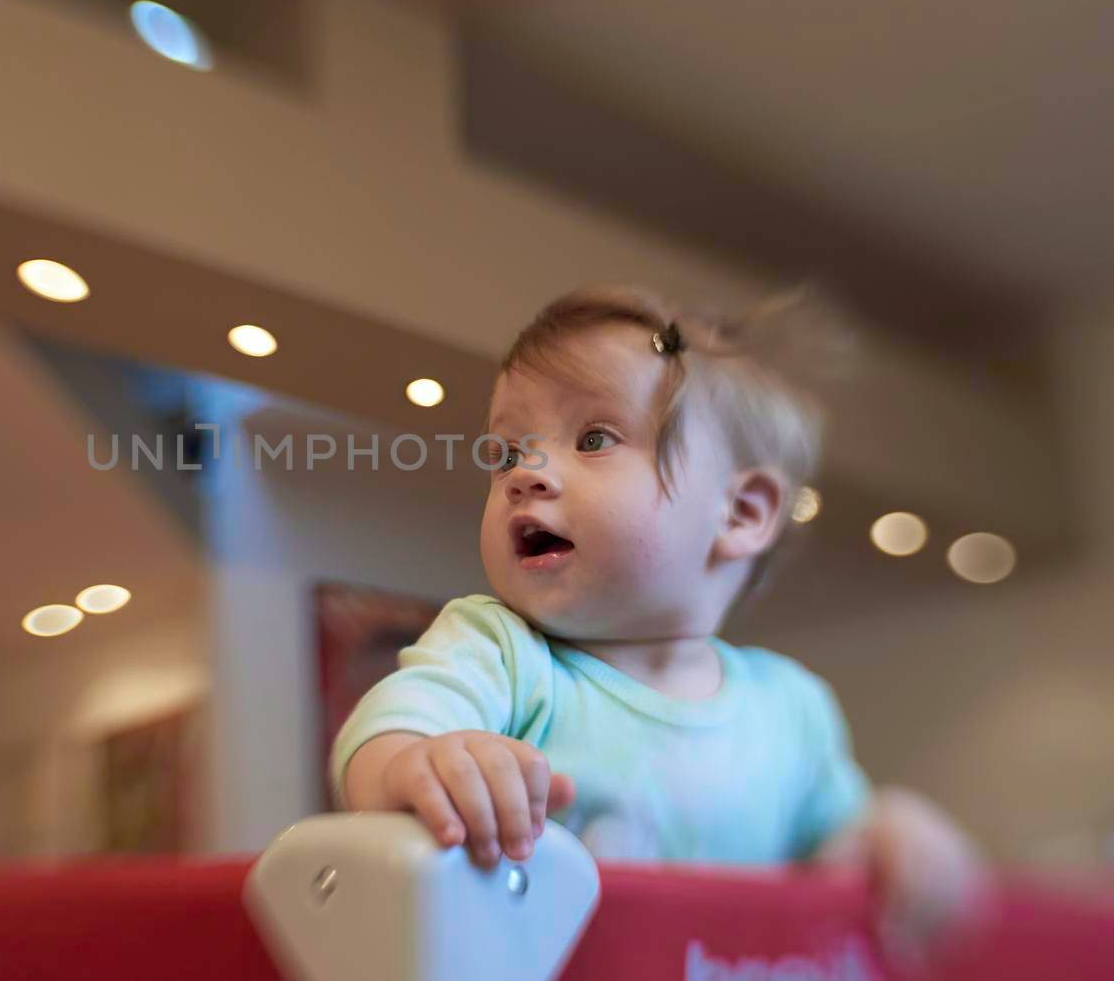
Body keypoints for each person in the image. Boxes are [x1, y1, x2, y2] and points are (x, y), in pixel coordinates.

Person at [332, 286, 989, 968]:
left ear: (740, 513)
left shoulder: (792, 709)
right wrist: (418, 763)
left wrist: (893, 831)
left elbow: (834, 865)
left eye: (594, 439)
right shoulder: (499, 651)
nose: (524, 474)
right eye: (504, 454)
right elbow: (383, 739)